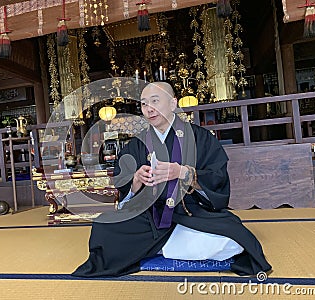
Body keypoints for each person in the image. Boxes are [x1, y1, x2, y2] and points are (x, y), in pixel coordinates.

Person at [72, 82, 272, 277]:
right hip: (149, 214)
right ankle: (169, 246)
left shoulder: (199, 137)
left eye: (155, 101)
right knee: (103, 227)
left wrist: (184, 173)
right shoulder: (137, 143)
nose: (149, 109)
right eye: (143, 103)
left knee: (234, 238)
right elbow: (123, 185)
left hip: (191, 211)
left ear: (173, 104)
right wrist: (135, 181)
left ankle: (156, 248)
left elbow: (218, 177)